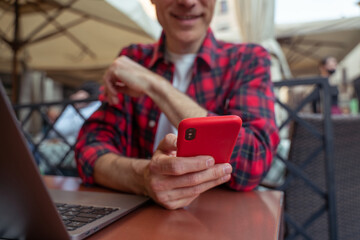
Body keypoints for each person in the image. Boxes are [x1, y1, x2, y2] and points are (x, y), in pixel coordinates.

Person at [75, 0, 279, 210]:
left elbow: (254, 161)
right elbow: (88, 149)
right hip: (138, 221)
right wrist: (144, 177)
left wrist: (155, 85)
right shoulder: (134, 58)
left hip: (219, 223)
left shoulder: (248, 59)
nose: (187, 2)